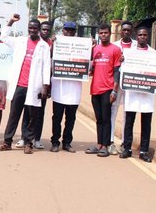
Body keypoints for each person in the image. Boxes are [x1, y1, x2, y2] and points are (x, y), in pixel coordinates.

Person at [0, 17, 51, 154]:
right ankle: (7, 142)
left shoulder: (44, 46)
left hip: (34, 86)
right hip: (19, 85)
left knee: (31, 116)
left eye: (35, 28)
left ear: (38, 30)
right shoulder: (20, 41)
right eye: (30, 28)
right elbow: (3, 36)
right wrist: (10, 22)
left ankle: (28, 143)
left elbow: (46, 66)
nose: (32, 30)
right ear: (28, 28)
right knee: (14, 115)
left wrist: (45, 86)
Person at [119, 27, 156, 163]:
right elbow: (122, 70)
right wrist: (122, 61)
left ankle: (143, 151)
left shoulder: (154, 54)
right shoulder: (129, 53)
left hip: (147, 93)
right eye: (140, 35)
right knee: (129, 121)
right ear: (137, 36)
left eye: (145, 35)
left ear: (148, 37)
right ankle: (127, 148)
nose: (142, 37)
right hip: (132, 92)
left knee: (146, 123)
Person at [85, 23, 122, 157]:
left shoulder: (115, 49)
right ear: (99, 34)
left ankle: (105, 145)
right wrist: (90, 52)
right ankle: (99, 144)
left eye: (106, 32)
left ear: (110, 33)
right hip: (95, 88)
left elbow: (117, 71)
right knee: (99, 118)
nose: (103, 35)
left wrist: (114, 90)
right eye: (101, 33)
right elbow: (90, 67)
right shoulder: (95, 49)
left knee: (106, 118)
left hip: (108, 89)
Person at [16, 21, 52, 149]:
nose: (45, 32)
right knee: (28, 112)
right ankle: (25, 138)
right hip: (29, 84)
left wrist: (46, 86)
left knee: (39, 113)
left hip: (44, 85)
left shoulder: (52, 45)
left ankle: (36, 138)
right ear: (39, 30)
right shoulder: (33, 43)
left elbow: (48, 67)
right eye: (43, 29)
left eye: (48, 30)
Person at [50, 21, 81, 153]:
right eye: (66, 30)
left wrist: (90, 47)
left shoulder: (81, 47)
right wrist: (52, 45)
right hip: (59, 89)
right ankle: (55, 142)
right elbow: (49, 59)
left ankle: (67, 142)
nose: (69, 32)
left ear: (75, 32)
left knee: (71, 118)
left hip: (74, 90)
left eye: (71, 30)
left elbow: (88, 65)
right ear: (62, 31)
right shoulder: (56, 44)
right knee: (56, 118)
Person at [109, 20, 137, 154]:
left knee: (128, 112)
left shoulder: (137, 46)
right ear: (120, 31)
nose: (126, 32)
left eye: (128, 30)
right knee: (113, 110)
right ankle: (110, 141)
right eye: (124, 30)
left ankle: (125, 143)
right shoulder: (114, 46)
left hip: (131, 83)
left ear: (132, 32)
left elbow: (152, 57)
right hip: (116, 82)